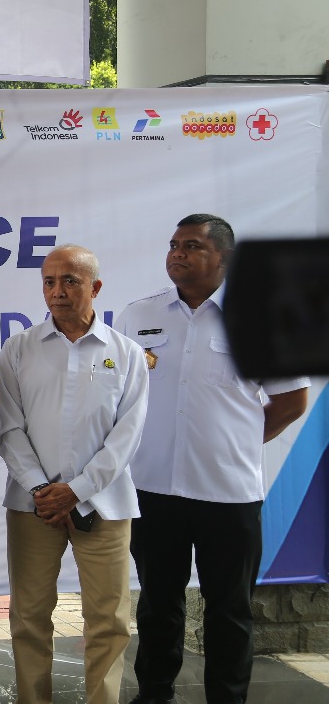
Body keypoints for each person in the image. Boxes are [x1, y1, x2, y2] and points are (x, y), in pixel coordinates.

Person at [116, 214, 309, 704]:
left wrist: (235, 443)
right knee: (158, 603)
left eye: (192, 246)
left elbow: (291, 402)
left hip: (228, 493)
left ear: (225, 256)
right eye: (173, 244)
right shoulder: (138, 315)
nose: (177, 253)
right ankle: (154, 693)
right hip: (154, 487)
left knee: (229, 608)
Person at [0, 246, 148, 704]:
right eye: (49, 282)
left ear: (95, 287)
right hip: (34, 507)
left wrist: (77, 490)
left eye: (70, 281)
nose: (57, 291)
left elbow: (127, 436)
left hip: (105, 504)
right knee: (29, 617)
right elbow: (9, 429)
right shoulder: (19, 348)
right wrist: (44, 490)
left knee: (109, 620)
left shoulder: (126, 353)